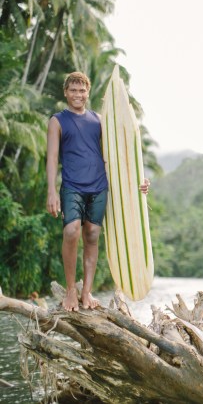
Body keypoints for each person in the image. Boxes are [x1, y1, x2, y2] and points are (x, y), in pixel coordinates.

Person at [46, 71, 149, 312]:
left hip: (99, 185)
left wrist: (139, 179)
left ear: (88, 92)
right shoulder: (57, 121)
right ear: (66, 92)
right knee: (71, 231)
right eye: (73, 90)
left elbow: (119, 154)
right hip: (72, 185)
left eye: (82, 90)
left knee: (91, 234)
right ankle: (70, 290)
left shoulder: (99, 120)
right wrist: (51, 191)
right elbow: (51, 159)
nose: (78, 95)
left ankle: (87, 292)